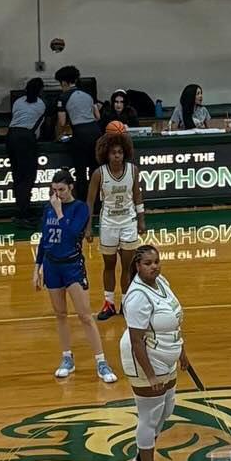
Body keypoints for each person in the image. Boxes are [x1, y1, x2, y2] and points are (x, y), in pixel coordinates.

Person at [119, 245, 191, 461]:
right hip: (145, 361)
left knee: (166, 408)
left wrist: (182, 353)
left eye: (156, 261)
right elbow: (137, 340)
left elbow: (173, 322)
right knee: (149, 416)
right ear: (137, 266)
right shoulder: (137, 296)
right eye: (148, 263)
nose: (154, 266)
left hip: (166, 357)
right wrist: (149, 375)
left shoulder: (162, 282)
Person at [33, 171, 117, 384]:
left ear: (70, 187)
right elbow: (45, 237)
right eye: (54, 190)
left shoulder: (80, 208)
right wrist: (37, 267)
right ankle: (67, 358)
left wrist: (60, 211)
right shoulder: (47, 208)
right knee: (60, 314)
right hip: (52, 266)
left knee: (85, 316)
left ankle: (101, 362)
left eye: (61, 189)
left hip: (72, 266)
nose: (57, 194)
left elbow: (71, 235)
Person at [88, 130, 146, 323]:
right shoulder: (99, 173)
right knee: (109, 265)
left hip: (128, 222)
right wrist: (88, 227)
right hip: (108, 224)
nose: (116, 155)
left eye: (120, 152)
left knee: (128, 267)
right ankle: (108, 303)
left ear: (125, 153)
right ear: (106, 154)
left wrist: (141, 219)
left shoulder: (133, 170)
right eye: (113, 152)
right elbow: (90, 202)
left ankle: (126, 304)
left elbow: (137, 195)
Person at [55, 65, 101, 201]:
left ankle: (82, 203)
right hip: (96, 133)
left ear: (63, 82)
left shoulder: (63, 97)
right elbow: (97, 116)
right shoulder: (88, 94)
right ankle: (96, 203)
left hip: (80, 135)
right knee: (95, 170)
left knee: (80, 172)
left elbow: (62, 122)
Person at [7, 78, 47, 226]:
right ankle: (24, 214)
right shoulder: (41, 104)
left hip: (11, 136)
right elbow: (39, 126)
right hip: (26, 138)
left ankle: (21, 209)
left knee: (17, 175)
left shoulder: (18, 101)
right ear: (41, 91)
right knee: (28, 177)